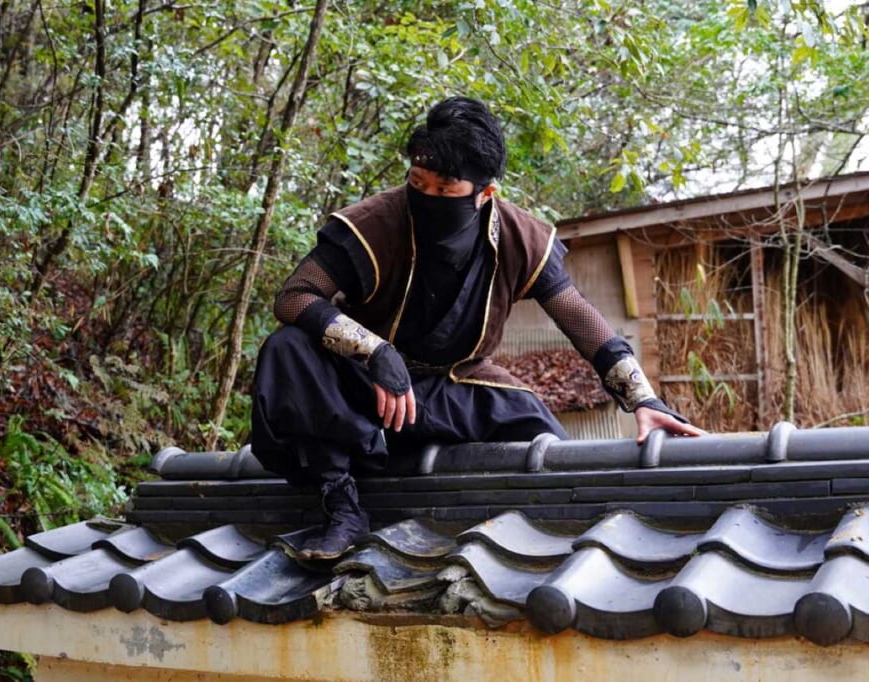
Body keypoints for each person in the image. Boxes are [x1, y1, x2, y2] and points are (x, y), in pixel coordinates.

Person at [250, 97, 702, 560]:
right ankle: (342, 509)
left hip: (455, 385)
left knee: (549, 452)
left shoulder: (519, 237)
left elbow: (577, 316)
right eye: (416, 182)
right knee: (288, 350)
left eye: (445, 190)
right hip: (366, 388)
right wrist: (374, 351)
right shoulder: (374, 224)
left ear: (485, 193)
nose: (427, 196)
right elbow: (294, 296)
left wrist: (642, 399)